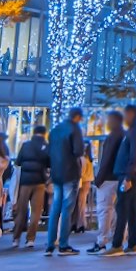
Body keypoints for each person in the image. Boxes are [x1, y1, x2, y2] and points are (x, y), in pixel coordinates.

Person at [106, 104, 136, 256]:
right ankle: (132, 244)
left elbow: (135, 156)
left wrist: (128, 177)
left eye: (127, 114)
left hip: (129, 176)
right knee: (130, 211)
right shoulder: (133, 132)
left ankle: (117, 244)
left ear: (133, 115)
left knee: (122, 209)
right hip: (128, 175)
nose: (125, 117)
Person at [44, 109, 87, 256]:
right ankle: (63, 244)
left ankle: (50, 244)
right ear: (78, 117)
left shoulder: (55, 130)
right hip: (70, 172)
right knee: (67, 208)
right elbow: (79, 151)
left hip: (57, 173)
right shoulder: (75, 129)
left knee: (55, 208)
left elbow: (48, 152)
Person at [88, 110, 125, 252]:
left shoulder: (112, 137)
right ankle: (119, 238)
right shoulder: (124, 136)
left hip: (108, 178)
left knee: (104, 210)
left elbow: (106, 159)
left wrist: (98, 180)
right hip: (120, 178)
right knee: (117, 211)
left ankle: (101, 241)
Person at [12, 124, 52, 249]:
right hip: (40, 181)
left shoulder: (25, 145)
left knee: (21, 210)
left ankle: (16, 238)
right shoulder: (46, 146)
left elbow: (18, 162)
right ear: (44, 133)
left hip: (25, 181)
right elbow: (50, 163)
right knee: (36, 212)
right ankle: (30, 239)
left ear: (33, 133)